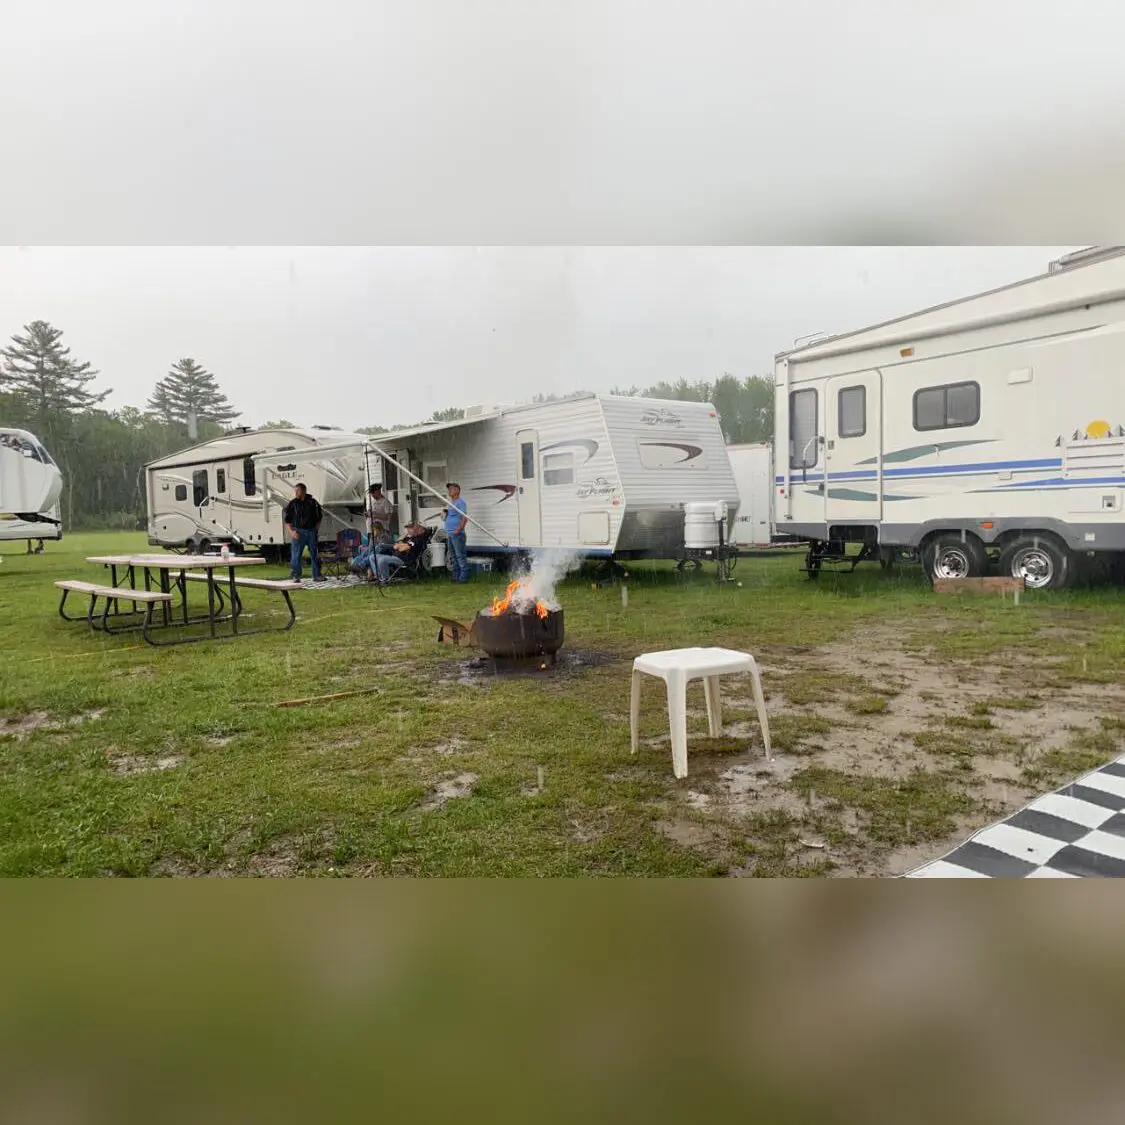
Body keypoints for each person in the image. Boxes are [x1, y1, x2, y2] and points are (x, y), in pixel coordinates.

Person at [283, 482, 324, 582]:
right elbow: (287, 520)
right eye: (295, 491)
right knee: (296, 555)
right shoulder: (293, 503)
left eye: (298, 490)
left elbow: (319, 517)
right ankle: (296, 576)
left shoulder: (313, 502)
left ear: (304, 491)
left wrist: (316, 530)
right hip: (298, 531)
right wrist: (291, 532)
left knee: (314, 554)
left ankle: (317, 575)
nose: (296, 493)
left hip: (311, 532)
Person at [443, 482, 469, 583]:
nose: (449, 490)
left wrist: (459, 529)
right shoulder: (450, 503)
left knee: (460, 555)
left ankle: (463, 578)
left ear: (457, 490)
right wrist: (444, 515)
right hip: (450, 533)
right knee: (453, 556)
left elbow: (464, 518)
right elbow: (448, 517)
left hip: (457, 533)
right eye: (449, 489)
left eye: (452, 489)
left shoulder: (460, 503)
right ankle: (456, 576)